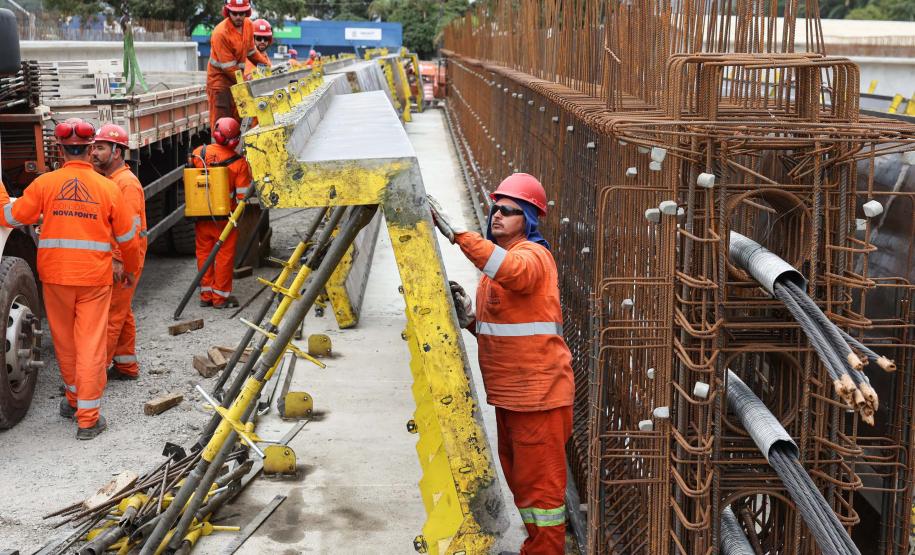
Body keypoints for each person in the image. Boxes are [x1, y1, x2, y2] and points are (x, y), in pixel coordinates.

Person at [428, 173, 574, 555]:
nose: (497, 215)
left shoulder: (532, 257)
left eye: (509, 211)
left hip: (538, 397)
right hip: (515, 395)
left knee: (542, 492)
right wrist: (471, 320)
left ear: (527, 219)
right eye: (495, 208)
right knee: (522, 482)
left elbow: (513, 273)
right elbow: (508, 329)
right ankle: (536, 547)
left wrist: (458, 233)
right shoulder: (500, 270)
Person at [0, 118, 140, 440]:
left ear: (60, 150)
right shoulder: (109, 189)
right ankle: (87, 419)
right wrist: (129, 269)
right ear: (91, 149)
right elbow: (129, 238)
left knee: (64, 343)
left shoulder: (45, 184)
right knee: (91, 344)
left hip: (56, 277)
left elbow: (9, 216)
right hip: (94, 278)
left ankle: (74, 399)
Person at [92, 123, 147, 381]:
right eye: (93, 147)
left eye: (100, 148)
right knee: (122, 312)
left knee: (110, 317)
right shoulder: (112, 180)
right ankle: (126, 367)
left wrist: (118, 261)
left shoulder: (126, 184)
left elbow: (128, 231)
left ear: (117, 152)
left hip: (124, 258)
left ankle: (92, 377)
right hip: (123, 257)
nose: (93, 152)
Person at [189, 117, 251, 309]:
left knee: (204, 255)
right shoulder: (239, 164)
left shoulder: (198, 153)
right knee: (223, 258)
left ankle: (206, 295)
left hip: (201, 215)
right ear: (234, 141)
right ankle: (220, 299)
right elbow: (242, 197)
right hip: (225, 220)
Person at [206, 0, 269, 128]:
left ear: (247, 12)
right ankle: (218, 147)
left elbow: (252, 52)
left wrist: (267, 67)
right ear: (228, 11)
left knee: (237, 118)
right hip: (220, 82)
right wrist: (247, 83)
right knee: (222, 122)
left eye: (241, 13)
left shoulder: (249, 26)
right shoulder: (220, 33)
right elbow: (228, 67)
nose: (238, 16)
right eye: (235, 13)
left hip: (236, 79)